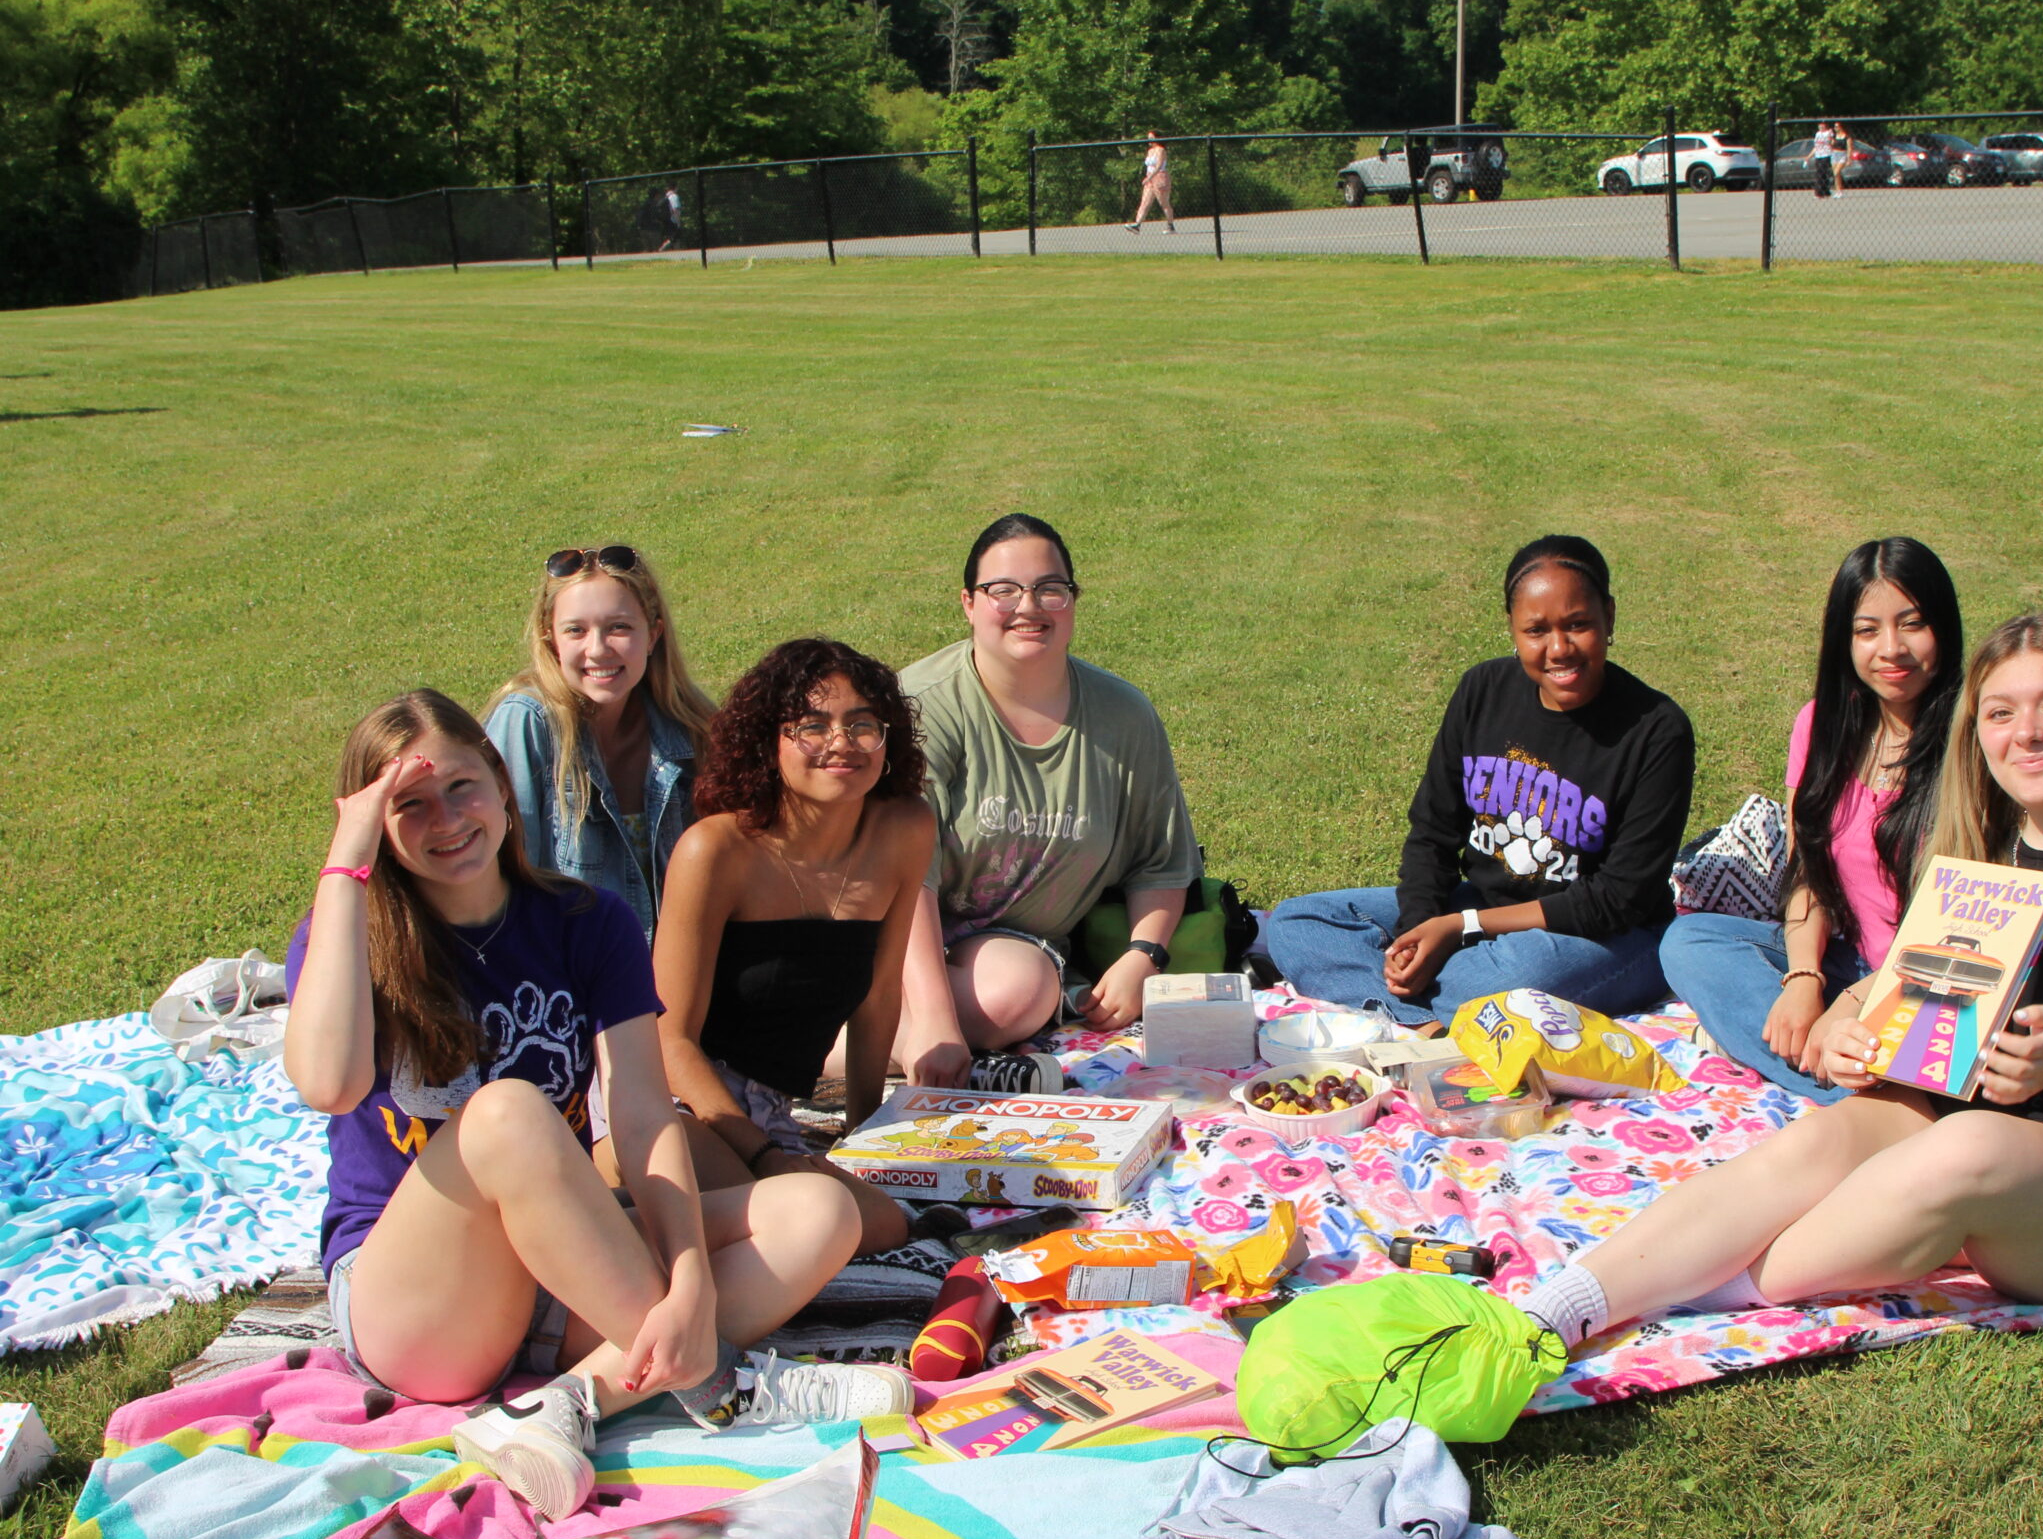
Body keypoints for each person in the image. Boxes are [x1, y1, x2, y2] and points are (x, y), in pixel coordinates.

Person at [1516, 609, 2043, 1352]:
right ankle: (1562, 1306)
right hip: (1999, 1131)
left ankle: (1711, 1287)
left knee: (1970, 1146)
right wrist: (1858, 1026)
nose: (2027, 735)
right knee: (1829, 1133)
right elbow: (1916, 1000)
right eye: (2000, 713)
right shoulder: (1986, 855)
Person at [281, 691, 910, 1527]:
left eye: (463, 787)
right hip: (423, 1311)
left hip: (563, 1272)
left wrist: (688, 1277)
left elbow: (646, 1119)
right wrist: (345, 862)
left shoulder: (585, 920)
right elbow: (327, 1086)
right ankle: (722, 1381)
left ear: (504, 786)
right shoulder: (351, 932)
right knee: (506, 1112)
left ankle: (567, 1403)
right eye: (409, 804)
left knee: (818, 1206)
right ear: (376, 825)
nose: (447, 820)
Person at [1263, 536, 1695, 1036]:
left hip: (1604, 935)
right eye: (1537, 630)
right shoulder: (1482, 691)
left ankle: (1406, 1007)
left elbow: (1618, 899)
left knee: (1514, 977)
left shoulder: (1656, 728)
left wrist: (1461, 929)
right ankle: (1422, 1016)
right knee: (1297, 923)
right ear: (1513, 630)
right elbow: (1433, 830)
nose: (1559, 648)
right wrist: (1416, 933)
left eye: (1578, 624)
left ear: (1610, 618)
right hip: (1482, 908)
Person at [891, 513, 1202, 1089]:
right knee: (1006, 997)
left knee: (1021, 990)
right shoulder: (922, 707)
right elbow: (905, 880)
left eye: (1049, 589)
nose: (1028, 606)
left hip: (1001, 951)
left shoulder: (1123, 716)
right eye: (1002, 590)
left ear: (1072, 600)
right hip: (889, 929)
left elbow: (1161, 860)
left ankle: (847, 1037)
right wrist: (933, 1021)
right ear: (968, 603)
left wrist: (1143, 957)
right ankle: (847, 1044)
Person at [1660, 538, 1963, 1100]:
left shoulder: (1974, 744)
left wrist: (1850, 1005)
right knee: (1689, 941)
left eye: (1912, 624)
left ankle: (1863, 1092)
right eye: (1867, 630)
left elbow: (1961, 940)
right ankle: (1851, 1079)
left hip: (1933, 983)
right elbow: (1809, 872)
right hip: (1850, 961)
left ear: (1944, 627)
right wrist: (1805, 979)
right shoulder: (1822, 725)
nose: (1891, 649)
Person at [649, 638, 935, 1198]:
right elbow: (668, 1039)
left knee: (879, 1221)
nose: (841, 744)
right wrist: (763, 1155)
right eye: (811, 726)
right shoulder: (715, 851)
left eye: (862, 725)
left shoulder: (904, 830)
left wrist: (862, 1135)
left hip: (771, 1112)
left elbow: (878, 998)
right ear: (768, 743)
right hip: (679, 1104)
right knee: (795, 1219)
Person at [487, 545, 717, 939]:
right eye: (576, 630)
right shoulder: (527, 723)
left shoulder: (690, 725)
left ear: (653, 634)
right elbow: (498, 877)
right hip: (569, 981)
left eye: (619, 628)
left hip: (678, 979)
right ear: (551, 640)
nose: (597, 649)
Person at [1128, 133, 1177, 235]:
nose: (1149, 140)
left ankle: (1170, 225)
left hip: (1160, 177)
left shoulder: (1161, 150)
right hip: (1149, 179)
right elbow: (1149, 166)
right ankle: (1137, 225)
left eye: (1151, 138)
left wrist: (1149, 177)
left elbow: (1159, 166)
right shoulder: (1150, 151)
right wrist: (1148, 177)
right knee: (1145, 202)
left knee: (1163, 203)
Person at [1811, 121, 1837, 199]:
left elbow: (1832, 141)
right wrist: (1809, 156)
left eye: (1823, 126)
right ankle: (1825, 192)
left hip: (1826, 154)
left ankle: (1819, 193)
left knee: (1821, 173)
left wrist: (1831, 142)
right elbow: (1816, 146)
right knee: (1820, 173)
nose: (1821, 127)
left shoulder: (1828, 133)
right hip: (1818, 155)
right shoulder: (1817, 134)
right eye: (1820, 126)